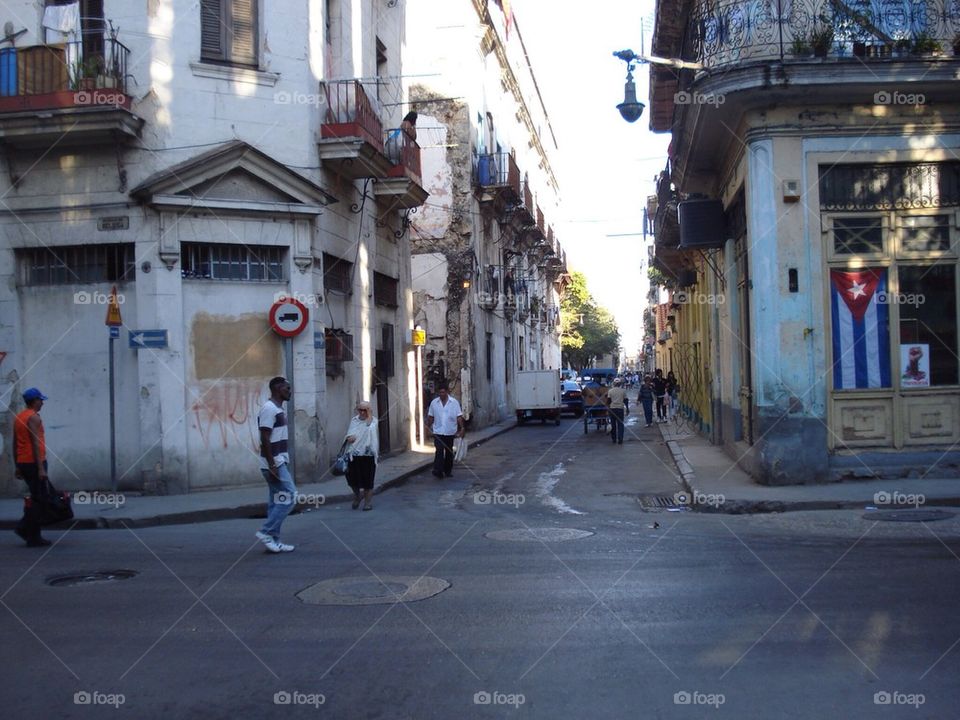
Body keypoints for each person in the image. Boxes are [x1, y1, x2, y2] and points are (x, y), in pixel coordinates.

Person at [255, 377, 296, 553]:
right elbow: (265, 437)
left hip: (279, 461)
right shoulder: (269, 409)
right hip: (274, 463)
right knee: (291, 496)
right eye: (287, 388)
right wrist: (272, 464)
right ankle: (266, 532)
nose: (290, 391)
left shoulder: (278, 409)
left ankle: (274, 541)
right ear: (278, 389)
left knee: (276, 501)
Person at [13, 387, 52, 547]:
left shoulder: (19, 417)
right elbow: (35, 443)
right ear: (34, 401)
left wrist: (17, 465)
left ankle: (29, 531)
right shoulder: (33, 418)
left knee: (36, 497)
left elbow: (15, 443)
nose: (42, 402)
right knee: (39, 499)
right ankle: (28, 531)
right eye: (40, 400)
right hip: (34, 462)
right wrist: (41, 468)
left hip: (24, 461)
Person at [344, 401, 379, 511]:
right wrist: (349, 437)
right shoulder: (354, 421)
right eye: (360, 410)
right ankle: (357, 495)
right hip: (354, 454)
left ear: (369, 410)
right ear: (357, 410)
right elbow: (349, 433)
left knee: (368, 481)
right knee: (352, 480)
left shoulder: (373, 421)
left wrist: (369, 415)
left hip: (368, 454)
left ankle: (367, 503)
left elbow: (370, 428)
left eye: (365, 410)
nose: (363, 412)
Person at [426, 384, 464, 478]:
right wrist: (427, 428)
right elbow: (431, 416)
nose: (441, 394)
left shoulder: (454, 403)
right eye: (440, 392)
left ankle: (447, 470)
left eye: (443, 392)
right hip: (438, 431)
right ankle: (438, 470)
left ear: (447, 392)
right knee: (439, 450)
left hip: (450, 431)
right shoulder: (434, 403)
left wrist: (462, 428)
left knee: (448, 451)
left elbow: (458, 416)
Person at [605, 378, 627, 444]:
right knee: (620, 424)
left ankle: (614, 439)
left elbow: (608, 401)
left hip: (612, 409)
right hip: (620, 409)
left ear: (614, 383)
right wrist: (627, 408)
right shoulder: (623, 391)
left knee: (613, 425)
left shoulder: (610, 391)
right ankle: (620, 439)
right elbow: (626, 400)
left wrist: (607, 408)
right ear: (620, 384)